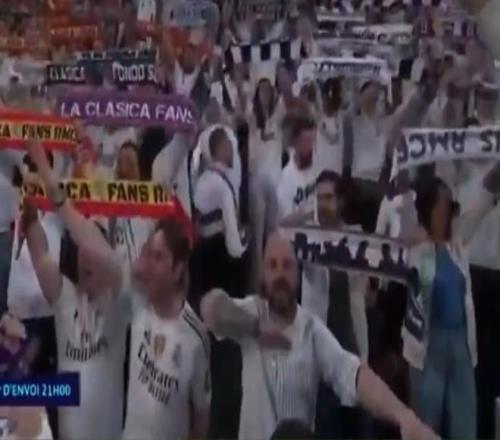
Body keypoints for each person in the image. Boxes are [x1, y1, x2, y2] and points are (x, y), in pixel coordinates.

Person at [200, 232, 439, 440]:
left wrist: (402, 415)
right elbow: (211, 309)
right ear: (264, 273)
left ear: (298, 272)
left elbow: (354, 374)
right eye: (272, 265)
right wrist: (255, 328)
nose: (280, 274)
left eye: (287, 265)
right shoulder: (251, 311)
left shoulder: (312, 331)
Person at [22, 140, 129, 440]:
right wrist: (30, 219)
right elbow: (41, 255)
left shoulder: (119, 303)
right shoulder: (65, 296)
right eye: (82, 250)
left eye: (94, 247)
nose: (88, 256)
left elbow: (105, 257)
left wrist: (46, 169)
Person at [403, 163, 500, 439]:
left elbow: (483, 199)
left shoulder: (458, 243)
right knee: (425, 424)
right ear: (431, 208)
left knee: (464, 425)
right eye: (443, 203)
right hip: (427, 347)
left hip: (460, 345)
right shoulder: (415, 250)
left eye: (450, 203)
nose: (449, 209)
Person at [300, 170, 370, 439]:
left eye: (328, 198)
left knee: (357, 428)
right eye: (318, 198)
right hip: (321, 354)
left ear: (340, 201)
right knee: (327, 429)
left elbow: (366, 286)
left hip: (353, 349)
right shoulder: (306, 237)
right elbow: (283, 233)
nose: (322, 204)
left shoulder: (357, 237)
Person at [192, 126, 246, 439]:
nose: (233, 151)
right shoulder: (222, 185)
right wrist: (247, 247)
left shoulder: (203, 180)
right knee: (226, 348)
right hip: (222, 268)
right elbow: (234, 245)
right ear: (219, 148)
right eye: (229, 146)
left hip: (203, 266)